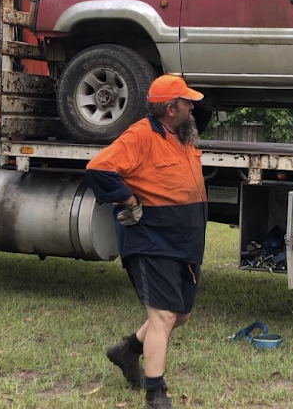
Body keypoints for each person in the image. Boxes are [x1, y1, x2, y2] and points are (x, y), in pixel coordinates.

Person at [85, 74, 208, 409]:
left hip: (184, 240)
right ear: (171, 108)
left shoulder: (183, 136)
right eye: (186, 102)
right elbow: (99, 168)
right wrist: (126, 200)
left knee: (180, 314)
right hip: (150, 237)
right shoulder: (141, 135)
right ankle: (155, 394)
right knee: (164, 316)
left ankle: (127, 351)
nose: (192, 107)